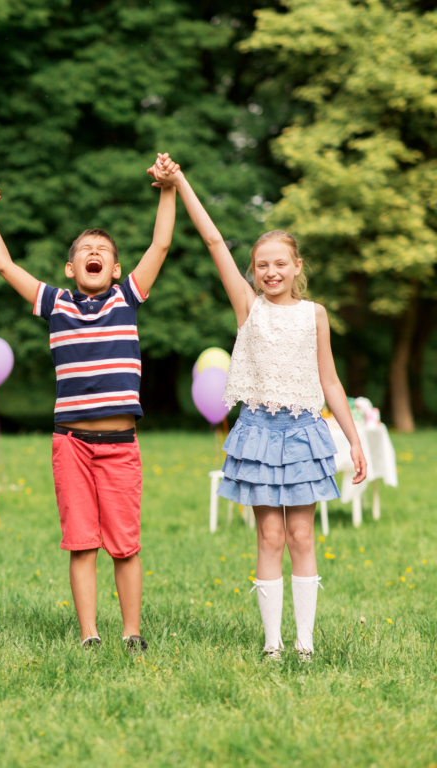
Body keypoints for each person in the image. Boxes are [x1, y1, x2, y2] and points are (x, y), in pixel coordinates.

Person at [165, 164, 367, 661]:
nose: (270, 272)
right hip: (257, 432)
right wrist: (181, 182)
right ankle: (273, 643)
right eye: (261, 265)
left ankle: (305, 643)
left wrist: (354, 439)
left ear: (297, 266)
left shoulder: (313, 314)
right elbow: (214, 241)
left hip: (302, 434)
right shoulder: (247, 306)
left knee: (302, 534)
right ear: (253, 271)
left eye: (280, 263)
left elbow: (330, 382)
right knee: (270, 535)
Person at [0, 154, 180, 651]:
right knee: (82, 542)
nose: (94, 254)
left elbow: (161, 243)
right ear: (71, 268)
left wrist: (168, 189)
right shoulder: (57, 303)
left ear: (114, 268)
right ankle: (90, 634)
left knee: (124, 545)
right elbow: (4, 264)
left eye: (103, 251)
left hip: (120, 445)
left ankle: (132, 633)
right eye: (85, 251)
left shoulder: (126, 298)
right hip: (71, 444)